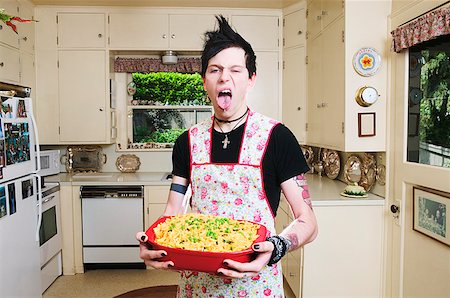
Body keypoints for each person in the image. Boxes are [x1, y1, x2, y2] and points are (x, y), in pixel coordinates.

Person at [137, 15, 318, 297]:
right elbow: (172, 212)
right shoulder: (187, 142)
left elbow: (308, 221)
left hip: (256, 283)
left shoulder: (277, 137)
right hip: (197, 283)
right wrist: (156, 243)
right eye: (215, 70)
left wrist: (278, 246)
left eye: (236, 70)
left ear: (250, 80)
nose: (224, 77)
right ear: (204, 81)